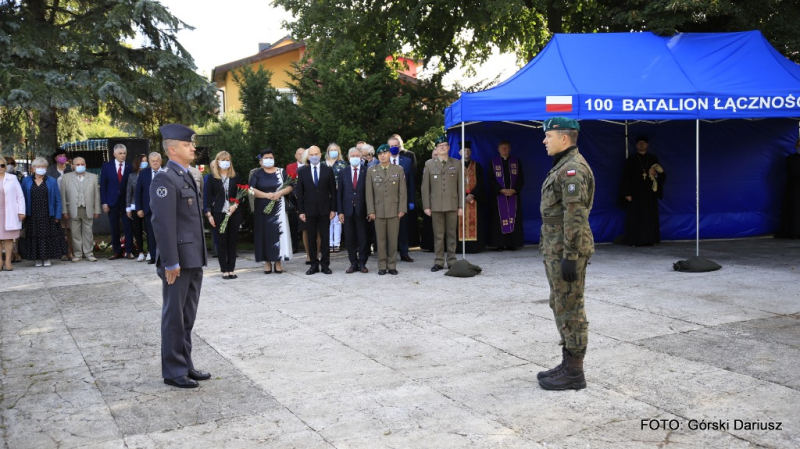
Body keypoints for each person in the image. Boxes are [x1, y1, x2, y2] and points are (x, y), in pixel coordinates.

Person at [150, 124, 210, 389]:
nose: (193, 148)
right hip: (178, 260)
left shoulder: (187, 176)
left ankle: (185, 364)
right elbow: (163, 224)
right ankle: (173, 371)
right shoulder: (165, 178)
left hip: (193, 256)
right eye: (188, 145)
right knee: (174, 315)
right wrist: (170, 262)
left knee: (187, 315)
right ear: (172, 149)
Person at [538, 117, 595, 391]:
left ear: (563, 138)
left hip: (566, 249)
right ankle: (567, 362)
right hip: (556, 247)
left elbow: (575, 216)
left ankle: (575, 372)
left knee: (571, 307)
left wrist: (570, 256)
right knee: (560, 303)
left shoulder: (572, 169)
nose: (544, 140)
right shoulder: (563, 165)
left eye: (548, 136)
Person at [421, 136, 463, 272]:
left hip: (452, 203)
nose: (442, 148)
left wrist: (461, 206)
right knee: (438, 235)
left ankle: (451, 260)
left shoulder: (457, 164)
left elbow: (461, 186)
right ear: (436, 149)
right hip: (436, 204)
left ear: (449, 147)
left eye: (445, 145)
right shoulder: (429, 164)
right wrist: (426, 206)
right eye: (440, 146)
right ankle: (438, 261)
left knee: (451, 234)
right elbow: (425, 187)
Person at [251, 149, 294, 274]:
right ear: (261, 160)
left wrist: (279, 193)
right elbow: (251, 189)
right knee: (264, 234)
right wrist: (266, 195)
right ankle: (267, 262)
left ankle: (278, 261)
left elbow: (290, 186)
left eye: (271, 157)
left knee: (278, 233)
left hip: (278, 207)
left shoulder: (281, 172)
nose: (269, 159)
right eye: (266, 157)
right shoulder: (257, 173)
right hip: (262, 208)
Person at [366, 144, 407, 275]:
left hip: (394, 210)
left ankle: (392, 265)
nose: (383, 155)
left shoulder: (398, 170)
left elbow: (402, 192)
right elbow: (369, 193)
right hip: (378, 210)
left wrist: (402, 208)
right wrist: (371, 211)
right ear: (377, 156)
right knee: (381, 239)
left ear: (390, 154)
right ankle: (382, 266)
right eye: (380, 154)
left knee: (393, 239)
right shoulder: (372, 170)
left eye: (385, 153)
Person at [296, 145, 336, 275]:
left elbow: (333, 192)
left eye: (316, 154)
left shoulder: (328, 170)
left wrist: (333, 209)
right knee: (311, 238)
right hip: (309, 210)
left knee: (325, 238)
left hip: (325, 210)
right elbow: (300, 193)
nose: (314, 157)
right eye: (311, 154)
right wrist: (301, 211)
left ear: (320, 154)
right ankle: (313, 264)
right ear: (308, 156)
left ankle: (325, 264)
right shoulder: (302, 171)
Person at [21, 157, 67, 267]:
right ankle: (37, 258)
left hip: (47, 213)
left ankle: (46, 258)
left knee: (47, 236)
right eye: (38, 167)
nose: (41, 169)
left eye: (43, 167)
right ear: (33, 169)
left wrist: (57, 214)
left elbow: (57, 198)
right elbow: (21, 198)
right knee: (34, 235)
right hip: (32, 214)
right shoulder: (26, 180)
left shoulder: (51, 180)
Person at [204, 152, 244, 279]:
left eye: (228, 160)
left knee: (232, 241)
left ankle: (231, 269)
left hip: (234, 212)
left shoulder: (236, 176)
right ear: (217, 161)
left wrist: (235, 205)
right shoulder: (211, 178)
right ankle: (224, 269)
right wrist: (209, 215)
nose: (225, 162)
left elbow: (242, 194)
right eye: (223, 160)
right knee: (222, 242)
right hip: (218, 213)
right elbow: (207, 197)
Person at [621, 135, 666, 246]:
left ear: (647, 145)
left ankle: (651, 240)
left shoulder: (653, 159)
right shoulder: (631, 160)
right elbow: (625, 177)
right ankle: (634, 241)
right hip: (635, 193)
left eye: (643, 143)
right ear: (636, 145)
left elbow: (662, 174)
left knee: (649, 217)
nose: (641, 144)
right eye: (639, 143)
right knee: (636, 217)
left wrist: (655, 174)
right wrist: (627, 193)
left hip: (649, 193)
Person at [60, 157, 101, 262]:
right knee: (75, 233)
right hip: (73, 209)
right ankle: (77, 254)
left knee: (88, 232)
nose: (80, 166)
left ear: (85, 165)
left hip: (88, 209)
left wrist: (97, 210)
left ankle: (89, 253)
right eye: (77, 164)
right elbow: (63, 196)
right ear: (73, 166)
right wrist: (64, 211)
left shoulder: (93, 177)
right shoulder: (66, 177)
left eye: (82, 164)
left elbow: (97, 195)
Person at [488, 140, 525, 251]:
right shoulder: (493, 162)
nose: (504, 149)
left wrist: (514, 190)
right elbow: (490, 179)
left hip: (513, 195)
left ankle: (511, 243)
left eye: (506, 147)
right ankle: (499, 243)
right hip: (499, 196)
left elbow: (521, 178)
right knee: (499, 219)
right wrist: (501, 190)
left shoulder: (516, 162)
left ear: (510, 149)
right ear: (498, 149)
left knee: (513, 218)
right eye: (502, 147)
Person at [337, 147, 369, 273]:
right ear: (348, 158)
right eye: (352, 156)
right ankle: (353, 263)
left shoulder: (366, 171)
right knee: (349, 238)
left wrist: (370, 210)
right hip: (347, 210)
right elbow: (339, 193)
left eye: (357, 155)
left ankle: (362, 263)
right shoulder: (343, 172)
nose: (355, 158)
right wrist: (340, 211)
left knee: (363, 238)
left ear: (360, 157)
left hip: (362, 210)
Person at [100, 144, 133, 259]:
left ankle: (129, 251)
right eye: (120, 153)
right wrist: (104, 202)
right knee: (114, 226)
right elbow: (103, 185)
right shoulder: (107, 166)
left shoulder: (130, 166)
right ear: (114, 154)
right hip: (111, 201)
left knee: (128, 226)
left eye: (124, 153)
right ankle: (117, 251)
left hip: (126, 202)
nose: (123, 155)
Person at [388, 136, 416, 263]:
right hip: (387, 200)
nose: (394, 148)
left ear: (400, 147)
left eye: (396, 145)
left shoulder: (407, 161)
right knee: (388, 228)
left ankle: (404, 253)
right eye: (391, 146)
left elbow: (411, 182)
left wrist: (411, 200)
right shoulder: (383, 161)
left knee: (403, 227)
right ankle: (390, 253)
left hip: (403, 199)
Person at [135, 152, 163, 264]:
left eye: (157, 160)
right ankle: (153, 256)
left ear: (161, 161)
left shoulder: (166, 172)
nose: (155, 162)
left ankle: (164, 255)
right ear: (149, 162)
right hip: (148, 209)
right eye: (152, 161)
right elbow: (138, 192)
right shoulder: (143, 174)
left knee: (164, 233)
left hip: (164, 210)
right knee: (151, 233)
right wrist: (139, 208)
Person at [47, 148, 74, 260]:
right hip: (56, 203)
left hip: (70, 202)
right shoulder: (50, 171)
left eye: (64, 155)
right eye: (59, 155)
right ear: (55, 158)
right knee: (59, 229)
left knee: (70, 228)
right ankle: (61, 252)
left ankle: (70, 251)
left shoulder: (70, 169)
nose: (62, 157)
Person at [460, 142, 486, 253]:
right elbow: (454, 183)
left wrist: (471, 195)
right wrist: (464, 195)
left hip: (474, 199)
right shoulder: (456, 165)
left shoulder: (477, 166)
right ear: (460, 152)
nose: (466, 152)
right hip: (460, 200)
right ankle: (461, 248)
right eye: (464, 150)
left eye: (468, 150)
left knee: (476, 223)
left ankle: (476, 247)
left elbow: (480, 183)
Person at [0, 156, 25, 271]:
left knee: (8, 238)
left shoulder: (12, 178)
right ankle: (0, 261)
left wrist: (21, 211)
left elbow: (19, 196)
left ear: (6, 166)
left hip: (10, 212)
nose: (0, 168)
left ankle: (8, 261)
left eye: (2, 165)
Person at [325, 143, 347, 253]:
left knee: (337, 220)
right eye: (331, 150)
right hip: (326, 195)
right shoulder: (323, 164)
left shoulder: (343, 164)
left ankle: (337, 243)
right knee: (329, 219)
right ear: (328, 151)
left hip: (339, 195)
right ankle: (329, 243)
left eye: (335, 150)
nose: (333, 151)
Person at [126, 153, 148, 261]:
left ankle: (150, 251)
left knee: (149, 229)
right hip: (135, 206)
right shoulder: (132, 176)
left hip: (147, 206)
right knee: (137, 230)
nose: (145, 163)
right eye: (143, 160)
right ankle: (140, 252)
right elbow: (129, 192)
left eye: (146, 160)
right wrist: (128, 208)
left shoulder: (149, 174)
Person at [777, 138, 800, 239]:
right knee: (795, 210)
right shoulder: (791, 159)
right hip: (795, 189)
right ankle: (794, 232)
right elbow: (794, 172)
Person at [285, 147, 306, 253]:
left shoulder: (310, 166)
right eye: (299, 154)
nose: (301, 156)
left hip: (308, 200)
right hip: (294, 200)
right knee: (293, 224)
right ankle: (294, 246)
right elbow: (289, 182)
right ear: (295, 155)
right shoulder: (290, 167)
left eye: (303, 153)